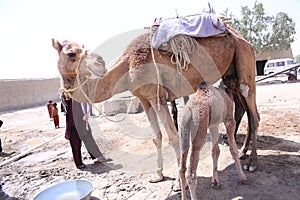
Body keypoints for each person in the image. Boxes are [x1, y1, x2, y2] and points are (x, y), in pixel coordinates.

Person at [62, 94, 110, 169]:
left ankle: (98, 157)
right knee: (76, 145)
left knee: (90, 141)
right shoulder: (68, 98)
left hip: (82, 123)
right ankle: (78, 163)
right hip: (73, 125)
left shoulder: (78, 97)